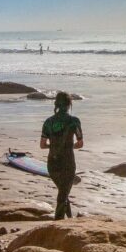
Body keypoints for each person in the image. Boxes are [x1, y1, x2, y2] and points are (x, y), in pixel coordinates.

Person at [40, 92, 83, 220]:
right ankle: (58, 221)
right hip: (68, 162)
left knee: (63, 192)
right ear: (69, 104)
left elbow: (42, 145)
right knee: (63, 193)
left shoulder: (48, 122)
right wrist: (70, 146)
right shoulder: (74, 121)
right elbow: (80, 143)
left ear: (56, 104)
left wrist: (52, 146)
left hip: (52, 164)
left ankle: (69, 218)